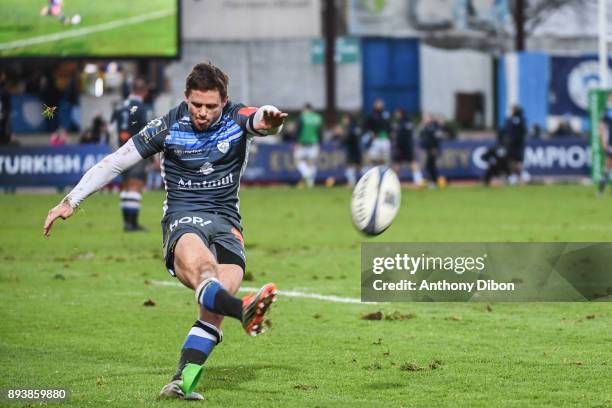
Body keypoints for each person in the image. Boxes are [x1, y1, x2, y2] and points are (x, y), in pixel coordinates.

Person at [43, 62, 287, 400]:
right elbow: (115, 161)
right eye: (196, 104)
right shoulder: (167, 126)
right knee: (206, 276)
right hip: (184, 220)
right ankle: (244, 310)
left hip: (228, 223)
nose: (202, 113)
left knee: (213, 308)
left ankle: (179, 382)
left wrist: (270, 118)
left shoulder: (235, 116)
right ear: (186, 98)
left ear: (224, 101)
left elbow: (259, 118)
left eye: (211, 106)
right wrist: (71, 200)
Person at [110, 79, 151, 232]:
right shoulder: (142, 108)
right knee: (135, 186)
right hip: (136, 151)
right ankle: (132, 224)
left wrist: (116, 150)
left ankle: (127, 223)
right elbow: (148, 132)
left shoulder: (119, 107)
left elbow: (111, 129)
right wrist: (152, 155)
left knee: (126, 187)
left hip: (121, 151)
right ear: (144, 92)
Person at [391, 108, 423, 187]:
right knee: (410, 163)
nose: (396, 115)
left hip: (402, 147)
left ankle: (394, 183)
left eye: (397, 113)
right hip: (408, 147)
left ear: (400, 113)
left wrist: (398, 146)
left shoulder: (401, 123)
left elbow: (400, 137)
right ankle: (419, 181)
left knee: (398, 165)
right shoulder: (409, 122)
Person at [294, 103, 322, 187]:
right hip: (314, 142)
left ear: (305, 109)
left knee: (297, 160)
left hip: (303, 143)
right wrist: (320, 142)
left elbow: (298, 130)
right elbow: (320, 131)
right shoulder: (318, 118)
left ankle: (306, 173)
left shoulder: (302, 117)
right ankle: (311, 183)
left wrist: (297, 141)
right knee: (312, 163)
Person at [502, 105, 527, 185]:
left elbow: (509, 131)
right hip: (515, 144)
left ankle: (518, 176)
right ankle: (515, 176)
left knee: (515, 161)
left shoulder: (516, 119)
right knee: (513, 160)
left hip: (515, 144)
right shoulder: (520, 119)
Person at [364, 98, 391, 166]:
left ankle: (384, 173)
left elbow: (388, 126)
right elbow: (366, 126)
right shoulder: (371, 115)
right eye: (378, 104)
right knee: (373, 158)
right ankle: (373, 172)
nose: (380, 105)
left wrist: (390, 133)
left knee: (385, 158)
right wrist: (370, 133)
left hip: (384, 138)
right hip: (376, 139)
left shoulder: (385, 114)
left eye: (381, 104)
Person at [340, 113, 362, 187]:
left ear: (348, 119)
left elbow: (349, 138)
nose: (343, 121)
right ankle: (353, 182)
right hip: (355, 149)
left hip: (353, 149)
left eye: (344, 119)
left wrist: (343, 140)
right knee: (355, 166)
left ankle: (352, 182)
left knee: (352, 166)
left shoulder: (350, 128)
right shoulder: (355, 127)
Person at [419, 114, 441, 186]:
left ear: (430, 118)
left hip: (433, 149)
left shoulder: (434, 126)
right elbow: (421, 135)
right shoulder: (426, 126)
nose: (425, 119)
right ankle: (433, 181)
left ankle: (433, 181)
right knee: (430, 165)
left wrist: (435, 148)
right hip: (428, 148)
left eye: (426, 118)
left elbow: (436, 138)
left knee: (430, 165)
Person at [599, 94, 612, 195]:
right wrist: (604, 142)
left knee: (608, 164)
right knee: (608, 164)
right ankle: (601, 188)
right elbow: (602, 128)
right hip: (610, 142)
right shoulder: (607, 113)